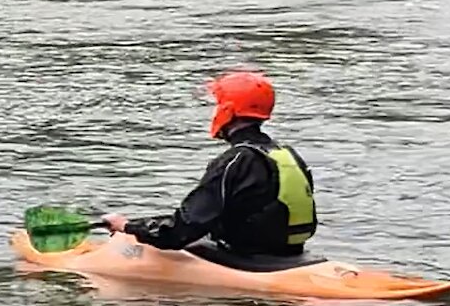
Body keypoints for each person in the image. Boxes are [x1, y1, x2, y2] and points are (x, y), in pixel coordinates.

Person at [102, 70, 318, 257]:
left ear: (228, 111)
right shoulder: (286, 154)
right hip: (290, 253)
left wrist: (127, 227)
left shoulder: (235, 161)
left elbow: (180, 232)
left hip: (246, 256)